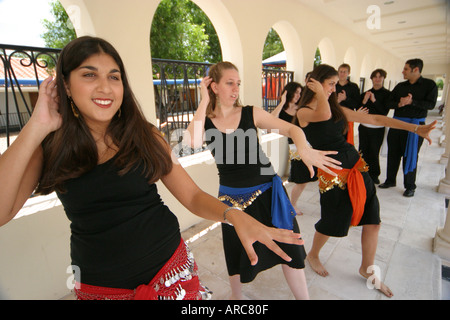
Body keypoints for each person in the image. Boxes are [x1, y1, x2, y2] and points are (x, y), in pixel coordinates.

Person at [0, 37, 308, 300]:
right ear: (66, 85)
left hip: (171, 273)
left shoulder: (144, 135)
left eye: (114, 76)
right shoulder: (50, 146)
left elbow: (192, 196)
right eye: (89, 75)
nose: (105, 87)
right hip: (100, 286)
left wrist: (232, 215)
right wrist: (37, 126)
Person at [184, 61, 342, 300]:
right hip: (231, 201)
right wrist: (204, 101)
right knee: (237, 254)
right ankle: (236, 298)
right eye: (229, 83)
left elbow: (293, 130)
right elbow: (192, 143)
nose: (235, 88)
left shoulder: (250, 112)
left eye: (237, 83)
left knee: (292, 247)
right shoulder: (204, 121)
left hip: (269, 194)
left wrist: (304, 148)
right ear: (213, 86)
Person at [296, 64, 436, 298]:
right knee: (332, 222)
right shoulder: (304, 112)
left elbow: (377, 118)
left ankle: (367, 269)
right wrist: (320, 93)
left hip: (356, 168)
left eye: (333, 84)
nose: (334, 88)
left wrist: (414, 128)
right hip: (333, 174)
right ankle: (313, 254)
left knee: (373, 220)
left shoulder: (337, 109)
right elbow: (322, 115)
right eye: (330, 84)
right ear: (317, 84)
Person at [379, 59, 438, 197]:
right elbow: (388, 102)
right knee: (393, 153)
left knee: (410, 155)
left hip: (416, 126)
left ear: (415, 69)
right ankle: (390, 180)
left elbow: (430, 105)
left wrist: (412, 102)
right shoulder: (400, 86)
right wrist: (399, 104)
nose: (403, 71)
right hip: (397, 124)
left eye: (406, 69)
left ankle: (410, 186)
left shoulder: (430, 85)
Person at [271, 82, 317, 215]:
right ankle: (292, 204)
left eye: (300, 92)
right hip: (295, 148)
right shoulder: (282, 110)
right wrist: (282, 102)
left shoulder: (301, 109)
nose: (298, 95)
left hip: (308, 145)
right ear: (289, 92)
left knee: (306, 178)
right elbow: (271, 119)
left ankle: (292, 203)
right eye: (296, 92)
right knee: (301, 179)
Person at [358, 69, 391, 184]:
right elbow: (358, 110)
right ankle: (362, 172)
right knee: (362, 150)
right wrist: (364, 100)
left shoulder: (387, 94)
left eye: (380, 77)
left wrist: (374, 101)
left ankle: (374, 175)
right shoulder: (365, 93)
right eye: (375, 77)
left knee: (373, 151)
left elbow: (384, 113)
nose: (377, 79)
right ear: (371, 78)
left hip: (377, 128)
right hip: (364, 127)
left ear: (383, 78)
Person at [336, 63, 361, 145]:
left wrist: (345, 99)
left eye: (344, 72)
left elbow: (357, 104)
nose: (342, 74)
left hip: (348, 118)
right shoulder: (333, 85)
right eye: (340, 71)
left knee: (346, 141)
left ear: (348, 73)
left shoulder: (353, 87)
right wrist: (338, 100)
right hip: (334, 117)